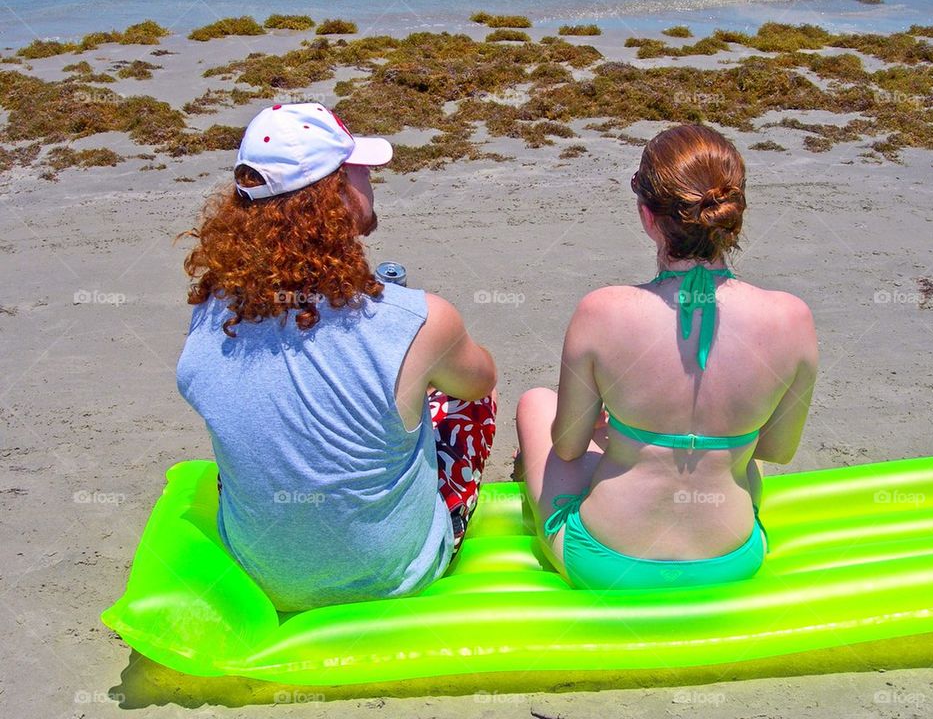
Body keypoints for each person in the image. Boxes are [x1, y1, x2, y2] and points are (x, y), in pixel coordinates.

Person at [176, 103, 497, 611]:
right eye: (361, 171)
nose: (371, 180)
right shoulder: (420, 319)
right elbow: (479, 382)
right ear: (337, 193)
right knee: (463, 396)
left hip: (261, 574)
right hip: (393, 577)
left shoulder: (210, 314)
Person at [515, 124, 818, 591]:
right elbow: (776, 450)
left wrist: (622, 429)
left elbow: (570, 447)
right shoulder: (792, 318)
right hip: (732, 558)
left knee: (536, 402)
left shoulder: (601, 311)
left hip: (606, 562)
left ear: (647, 216)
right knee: (741, 452)